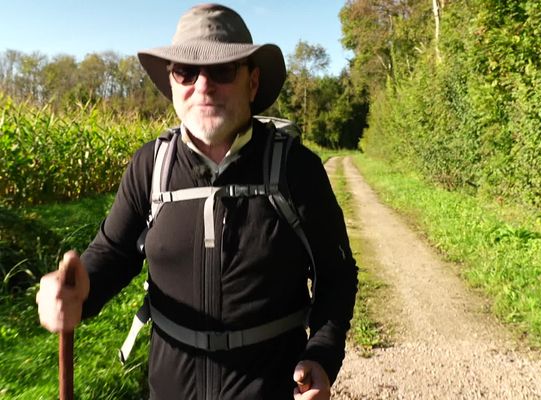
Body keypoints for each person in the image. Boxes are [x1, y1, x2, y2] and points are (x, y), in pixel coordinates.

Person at [36, 4, 358, 399]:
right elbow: (114, 252)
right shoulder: (150, 165)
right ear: (173, 84)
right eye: (186, 72)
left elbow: (336, 275)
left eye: (222, 71)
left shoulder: (296, 169)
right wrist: (77, 291)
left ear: (252, 83)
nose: (202, 86)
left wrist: (322, 355)